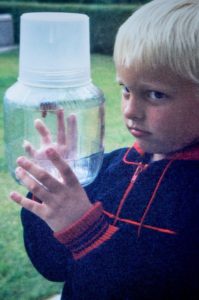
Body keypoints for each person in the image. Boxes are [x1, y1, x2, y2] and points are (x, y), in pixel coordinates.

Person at [10, 0, 199, 299]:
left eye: (155, 94)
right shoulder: (111, 168)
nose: (130, 110)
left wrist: (86, 232)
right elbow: (53, 266)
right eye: (125, 88)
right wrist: (50, 194)